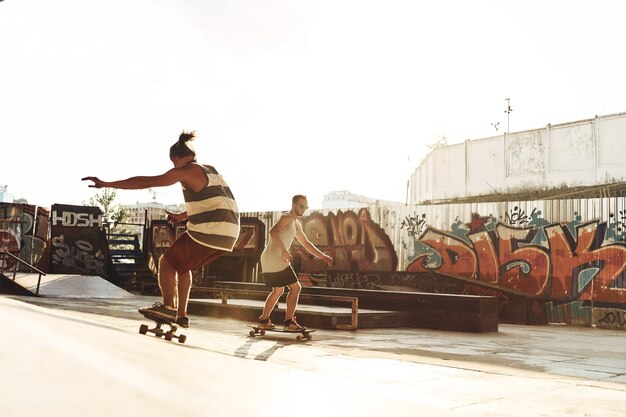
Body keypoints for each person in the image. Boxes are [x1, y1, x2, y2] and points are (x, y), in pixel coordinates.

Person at [82, 131, 240, 328]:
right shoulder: (210, 170)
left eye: (172, 163)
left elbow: (145, 182)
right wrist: (182, 216)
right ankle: (181, 315)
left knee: (167, 261)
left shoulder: (184, 171)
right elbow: (212, 202)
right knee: (182, 266)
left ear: (174, 158)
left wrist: (106, 184)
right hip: (229, 232)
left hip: (212, 230)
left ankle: (168, 307)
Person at [257, 195, 332, 331]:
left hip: (269, 259)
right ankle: (289, 322)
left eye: (305, 207)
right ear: (293, 205)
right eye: (301, 206)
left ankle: (264, 320)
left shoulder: (296, 224)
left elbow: (306, 243)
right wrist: (284, 250)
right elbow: (273, 231)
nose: (303, 209)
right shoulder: (287, 218)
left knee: (278, 290)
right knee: (296, 288)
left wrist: (322, 256)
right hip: (276, 258)